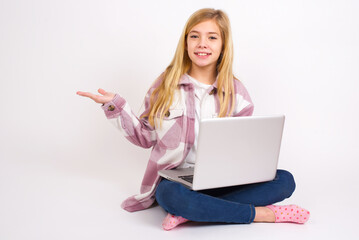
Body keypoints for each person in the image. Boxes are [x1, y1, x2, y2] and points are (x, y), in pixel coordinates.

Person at [77, 8, 310, 230]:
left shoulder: (237, 92)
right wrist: (114, 105)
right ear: (186, 42)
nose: (202, 44)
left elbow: (244, 151)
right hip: (179, 181)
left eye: (212, 37)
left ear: (223, 45)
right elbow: (144, 137)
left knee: (285, 180)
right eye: (195, 36)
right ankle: (262, 214)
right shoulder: (165, 85)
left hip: (223, 180)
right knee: (169, 195)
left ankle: (189, 212)